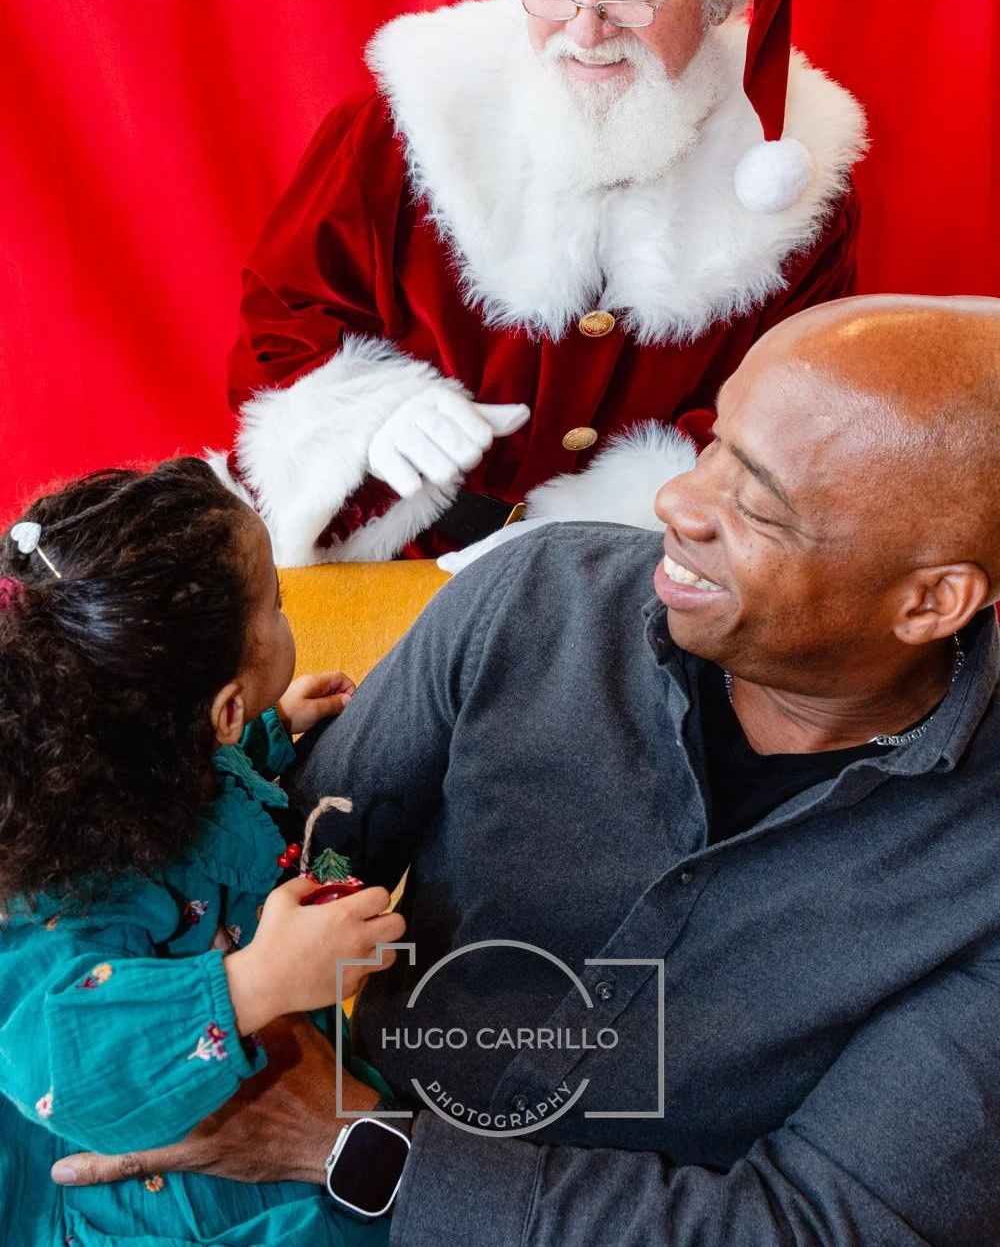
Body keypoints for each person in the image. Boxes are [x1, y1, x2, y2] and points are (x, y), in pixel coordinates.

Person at [59, 295, 1000, 1245]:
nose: (677, 499)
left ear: (930, 602)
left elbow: (820, 1227)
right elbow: (294, 855)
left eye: (757, 499)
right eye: (714, 441)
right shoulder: (533, 597)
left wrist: (357, 1145)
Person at [216, 0, 867, 567]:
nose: (585, 28)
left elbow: (783, 408)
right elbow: (285, 326)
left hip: (639, 568)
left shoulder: (793, 181)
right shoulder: (404, 124)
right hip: (398, 553)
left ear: (722, 2)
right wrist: (369, 416)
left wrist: (599, 530)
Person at [0, 458, 406, 1246]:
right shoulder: (81, 878)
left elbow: (203, 788)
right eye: (278, 607)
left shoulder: (139, 754)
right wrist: (256, 982)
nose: (288, 615)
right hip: (177, 1198)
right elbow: (60, 1066)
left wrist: (265, 729)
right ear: (217, 707)